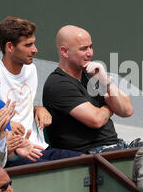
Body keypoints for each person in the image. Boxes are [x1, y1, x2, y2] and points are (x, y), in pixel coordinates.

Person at [0, 16, 81, 167]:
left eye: (33, 44)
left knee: (85, 161)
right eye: (28, 45)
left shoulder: (31, 69)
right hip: (13, 154)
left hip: (39, 147)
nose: (35, 50)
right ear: (10, 47)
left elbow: (22, 103)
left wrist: (37, 108)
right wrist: (6, 124)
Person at [43, 25, 137, 154]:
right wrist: (109, 107)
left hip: (113, 147)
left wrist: (107, 82)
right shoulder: (58, 84)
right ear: (64, 51)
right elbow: (96, 120)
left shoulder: (91, 74)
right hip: (89, 156)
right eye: (84, 49)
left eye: (91, 47)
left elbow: (127, 110)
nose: (90, 53)